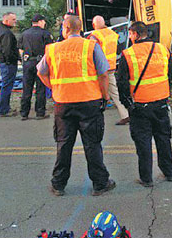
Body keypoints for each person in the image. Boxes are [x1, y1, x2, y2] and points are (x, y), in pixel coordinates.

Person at [37, 15, 115, 197]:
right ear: (80, 29)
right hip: (89, 102)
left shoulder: (53, 49)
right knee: (92, 144)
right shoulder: (91, 46)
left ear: (65, 29)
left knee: (64, 144)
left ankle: (58, 184)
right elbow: (103, 74)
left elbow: (41, 72)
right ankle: (100, 183)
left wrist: (55, 87)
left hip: (63, 103)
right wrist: (104, 96)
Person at [117, 21, 172, 187]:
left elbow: (121, 82)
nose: (129, 37)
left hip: (140, 105)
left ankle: (146, 178)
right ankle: (169, 172)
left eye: (130, 34)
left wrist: (126, 103)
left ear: (135, 34)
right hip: (161, 102)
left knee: (143, 142)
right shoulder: (162, 49)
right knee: (163, 138)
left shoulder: (128, 54)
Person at [89, 15, 129, 125]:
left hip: (100, 68)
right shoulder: (112, 33)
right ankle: (125, 114)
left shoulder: (95, 36)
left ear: (93, 25)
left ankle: (125, 114)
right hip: (111, 66)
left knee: (96, 91)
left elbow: (92, 52)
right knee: (114, 91)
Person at [19, 14, 54, 120]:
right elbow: (50, 50)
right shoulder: (45, 34)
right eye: (43, 22)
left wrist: (24, 60)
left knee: (27, 88)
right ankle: (40, 113)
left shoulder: (24, 34)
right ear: (39, 22)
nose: (44, 24)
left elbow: (20, 49)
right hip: (40, 62)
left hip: (28, 62)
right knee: (40, 88)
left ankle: (24, 113)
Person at [0, 12, 20, 117]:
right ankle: (4, 110)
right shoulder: (7, 33)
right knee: (7, 86)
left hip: (2, 61)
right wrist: (12, 60)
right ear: (7, 20)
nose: (15, 21)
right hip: (8, 63)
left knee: (6, 85)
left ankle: (5, 108)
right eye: (13, 19)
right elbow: (7, 50)